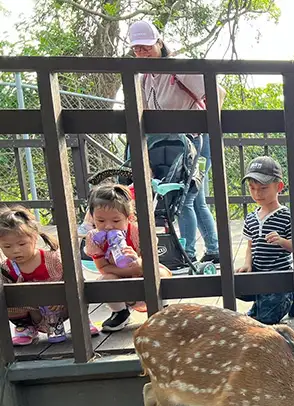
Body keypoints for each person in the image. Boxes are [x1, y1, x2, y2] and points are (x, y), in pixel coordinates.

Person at [128, 20, 223, 264]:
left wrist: (208, 125)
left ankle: (187, 253)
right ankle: (214, 249)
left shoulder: (179, 68)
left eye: (146, 47)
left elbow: (217, 92)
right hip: (169, 145)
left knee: (186, 196)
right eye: (137, 48)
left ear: (159, 43)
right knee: (195, 197)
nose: (142, 53)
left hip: (194, 143)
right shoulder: (144, 77)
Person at [0, 206, 100, 345]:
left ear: (34, 237)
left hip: (59, 307)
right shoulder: (6, 268)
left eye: (22, 244)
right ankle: (25, 328)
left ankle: (82, 321)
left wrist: (60, 297)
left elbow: (69, 279)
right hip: (30, 310)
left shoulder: (53, 259)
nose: (16, 251)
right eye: (7, 247)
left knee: (77, 288)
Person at [83, 183, 172, 332]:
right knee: (104, 282)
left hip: (144, 272)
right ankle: (120, 312)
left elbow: (151, 260)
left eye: (116, 221)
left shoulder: (137, 231)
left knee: (161, 275)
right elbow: (103, 267)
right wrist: (128, 269)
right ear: (92, 218)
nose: (108, 226)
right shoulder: (94, 238)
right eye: (100, 221)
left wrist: (138, 262)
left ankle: (161, 308)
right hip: (117, 275)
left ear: (128, 218)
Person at [235, 157, 294, 325]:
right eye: (252, 188)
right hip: (259, 274)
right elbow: (250, 244)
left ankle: (289, 297)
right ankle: (267, 302)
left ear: (279, 187)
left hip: (278, 277)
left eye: (263, 188)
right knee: (237, 285)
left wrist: (282, 241)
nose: (257, 194)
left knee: (264, 320)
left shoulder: (285, 216)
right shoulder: (251, 217)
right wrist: (248, 264)